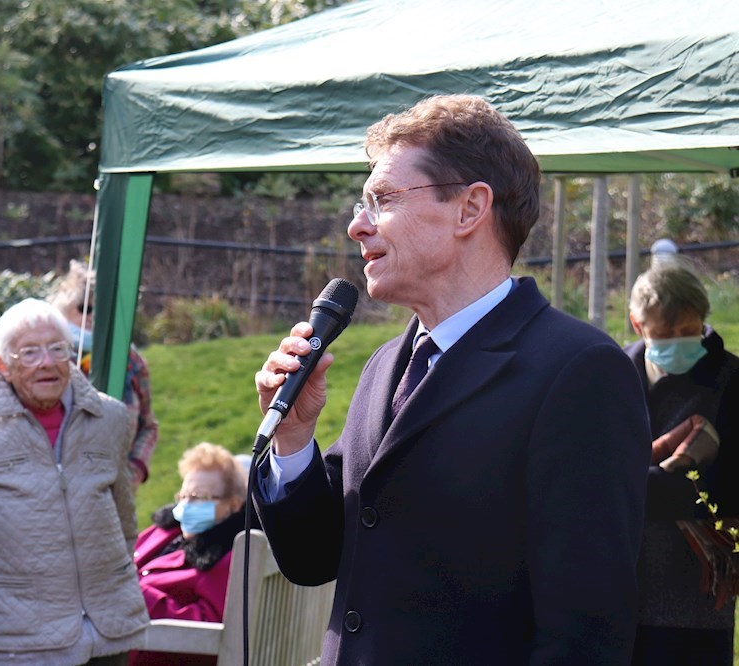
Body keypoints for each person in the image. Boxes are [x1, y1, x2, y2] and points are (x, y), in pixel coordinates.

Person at [251, 94, 651, 664]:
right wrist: (292, 439)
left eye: (382, 199)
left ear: (470, 209)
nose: (356, 225)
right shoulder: (386, 365)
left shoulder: (578, 369)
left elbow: (585, 630)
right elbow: (316, 558)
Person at [0, 297, 148, 666]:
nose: (48, 362)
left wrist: (118, 594)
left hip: (108, 636)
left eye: (57, 349)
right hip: (16, 644)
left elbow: (123, 521)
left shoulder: (109, 418)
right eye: (30, 353)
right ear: (2, 365)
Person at [624, 259, 739, 666]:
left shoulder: (729, 380)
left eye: (689, 332)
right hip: (621, 588)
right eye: (665, 334)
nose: (678, 341)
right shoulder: (614, 373)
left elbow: (722, 489)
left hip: (696, 596)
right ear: (639, 326)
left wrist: (632, 484)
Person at [130, 443, 248, 666]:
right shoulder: (166, 530)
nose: (185, 505)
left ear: (233, 505)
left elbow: (211, 632)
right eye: (183, 495)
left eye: (198, 497)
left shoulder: (228, 553)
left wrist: (136, 594)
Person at [49, 259, 159, 490]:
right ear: (64, 310)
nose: (93, 316)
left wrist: (135, 470)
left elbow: (148, 426)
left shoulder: (131, 360)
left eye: (101, 308)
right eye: (84, 308)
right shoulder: (48, 359)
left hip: (116, 488)